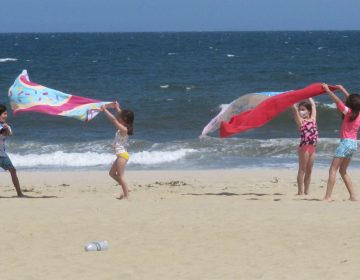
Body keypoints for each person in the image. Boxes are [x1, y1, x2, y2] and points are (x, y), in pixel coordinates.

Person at [322, 84, 360, 202]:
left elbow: (337, 101)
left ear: (350, 105)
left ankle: (328, 197)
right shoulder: (358, 114)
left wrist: (328, 90)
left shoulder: (348, 112)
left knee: (332, 169)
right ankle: (353, 196)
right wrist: (342, 89)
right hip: (353, 144)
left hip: (345, 143)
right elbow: (353, 101)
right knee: (343, 171)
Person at [101, 102, 134, 200]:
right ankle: (126, 188)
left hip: (122, 156)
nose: (119, 118)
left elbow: (114, 120)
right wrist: (117, 107)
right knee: (111, 173)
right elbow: (120, 116)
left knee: (121, 176)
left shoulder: (124, 129)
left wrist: (105, 110)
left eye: (122, 118)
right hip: (121, 155)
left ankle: (127, 196)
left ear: (126, 121)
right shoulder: (125, 125)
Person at [292, 98, 318, 195]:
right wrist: (292, 101)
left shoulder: (313, 119)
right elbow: (294, 110)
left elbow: (313, 106)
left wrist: (310, 97)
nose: (301, 111)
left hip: (312, 148)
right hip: (304, 148)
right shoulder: (301, 121)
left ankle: (307, 191)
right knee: (302, 169)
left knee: (309, 171)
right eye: (300, 109)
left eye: (303, 109)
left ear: (309, 111)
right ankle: (300, 192)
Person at [0, 104, 23, 197]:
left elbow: (8, 134)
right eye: (4, 114)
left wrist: (6, 128)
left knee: (13, 171)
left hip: (2, 154)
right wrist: (4, 129)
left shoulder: (6, 126)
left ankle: (20, 193)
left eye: (6, 114)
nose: (6, 116)